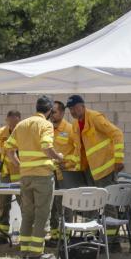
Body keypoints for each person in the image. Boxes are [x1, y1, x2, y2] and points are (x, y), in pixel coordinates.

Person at [5, 96, 64, 259]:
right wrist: (58, 157)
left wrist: (20, 165)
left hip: (25, 176)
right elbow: (47, 146)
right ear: (50, 111)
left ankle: (25, 250)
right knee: (42, 215)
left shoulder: (21, 124)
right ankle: (36, 253)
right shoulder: (46, 124)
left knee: (28, 214)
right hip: (43, 176)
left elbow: (8, 149)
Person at [66, 94, 124, 249]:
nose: (72, 111)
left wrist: (118, 159)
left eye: (74, 108)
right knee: (90, 205)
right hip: (87, 171)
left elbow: (117, 133)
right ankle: (90, 239)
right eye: (70, 109)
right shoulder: (75, 125)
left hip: (105, 169)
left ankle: (113, 242)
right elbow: (79, 150)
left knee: (109, 204)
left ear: (82, 106)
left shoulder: (95, 117)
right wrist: (67, 163)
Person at [47, 101, 79, 246]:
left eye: (54, 112)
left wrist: (66, 162)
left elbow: (78, 150)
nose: (51, 114)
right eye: (50, 112)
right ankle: (54, 236)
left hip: (65, 173)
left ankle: (66, 235)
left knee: (65, 205)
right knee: (52, 205)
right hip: (49, 172)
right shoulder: (46, 128)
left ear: (62, 112)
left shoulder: (70, 129)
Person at [0, 110, 22, 245]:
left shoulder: (23, 131)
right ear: (7, 120)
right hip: (5, 173)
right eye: (10, 122)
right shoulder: (2, 132)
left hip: (20, 173)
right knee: (4, 205)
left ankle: (27, 234)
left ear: (19, 120)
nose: (12, 126)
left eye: (14, 123)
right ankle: (2, 235)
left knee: (24, 204)